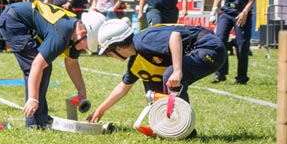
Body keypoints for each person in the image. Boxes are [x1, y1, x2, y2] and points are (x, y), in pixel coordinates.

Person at [88, 19, 226, 124]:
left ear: (118, 47)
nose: (110, 57)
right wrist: (101, 109)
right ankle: (168, 123)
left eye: (109, 53)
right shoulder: (136, 60)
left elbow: (175, 37)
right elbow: (123, 88)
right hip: (202, 50)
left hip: (210, 49)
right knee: (151, 83)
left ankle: (182, 126)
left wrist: (177, 71)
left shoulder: (142, 41)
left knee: (169, 75)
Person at [0, 1, 106, 128]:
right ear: (83, 34)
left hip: (20, 19)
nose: (85, 50)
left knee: (44, 66)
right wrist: (33, 99)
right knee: (38, 66)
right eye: (87, 46)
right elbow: (36, 65)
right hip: (13, 20)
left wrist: (81, 90)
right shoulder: (61, 35)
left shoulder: (74, 33)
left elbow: (72, 63)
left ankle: (40, 118)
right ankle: (34, 121)